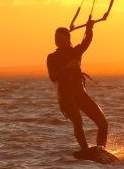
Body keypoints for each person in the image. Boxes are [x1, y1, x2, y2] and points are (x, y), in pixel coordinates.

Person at [46, 19, 108, 150]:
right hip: (65, 96)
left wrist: (89, 28)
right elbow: (52, 77)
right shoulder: (51, 57)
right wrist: (67, 68)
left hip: (80, 93)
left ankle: (100, 150)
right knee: (78, 122)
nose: (57, 40)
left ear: (68, 38)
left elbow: (87, 41)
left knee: (103, 124)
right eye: (55, 38)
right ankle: (85, 150)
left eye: (60, 38)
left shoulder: (76, 51)